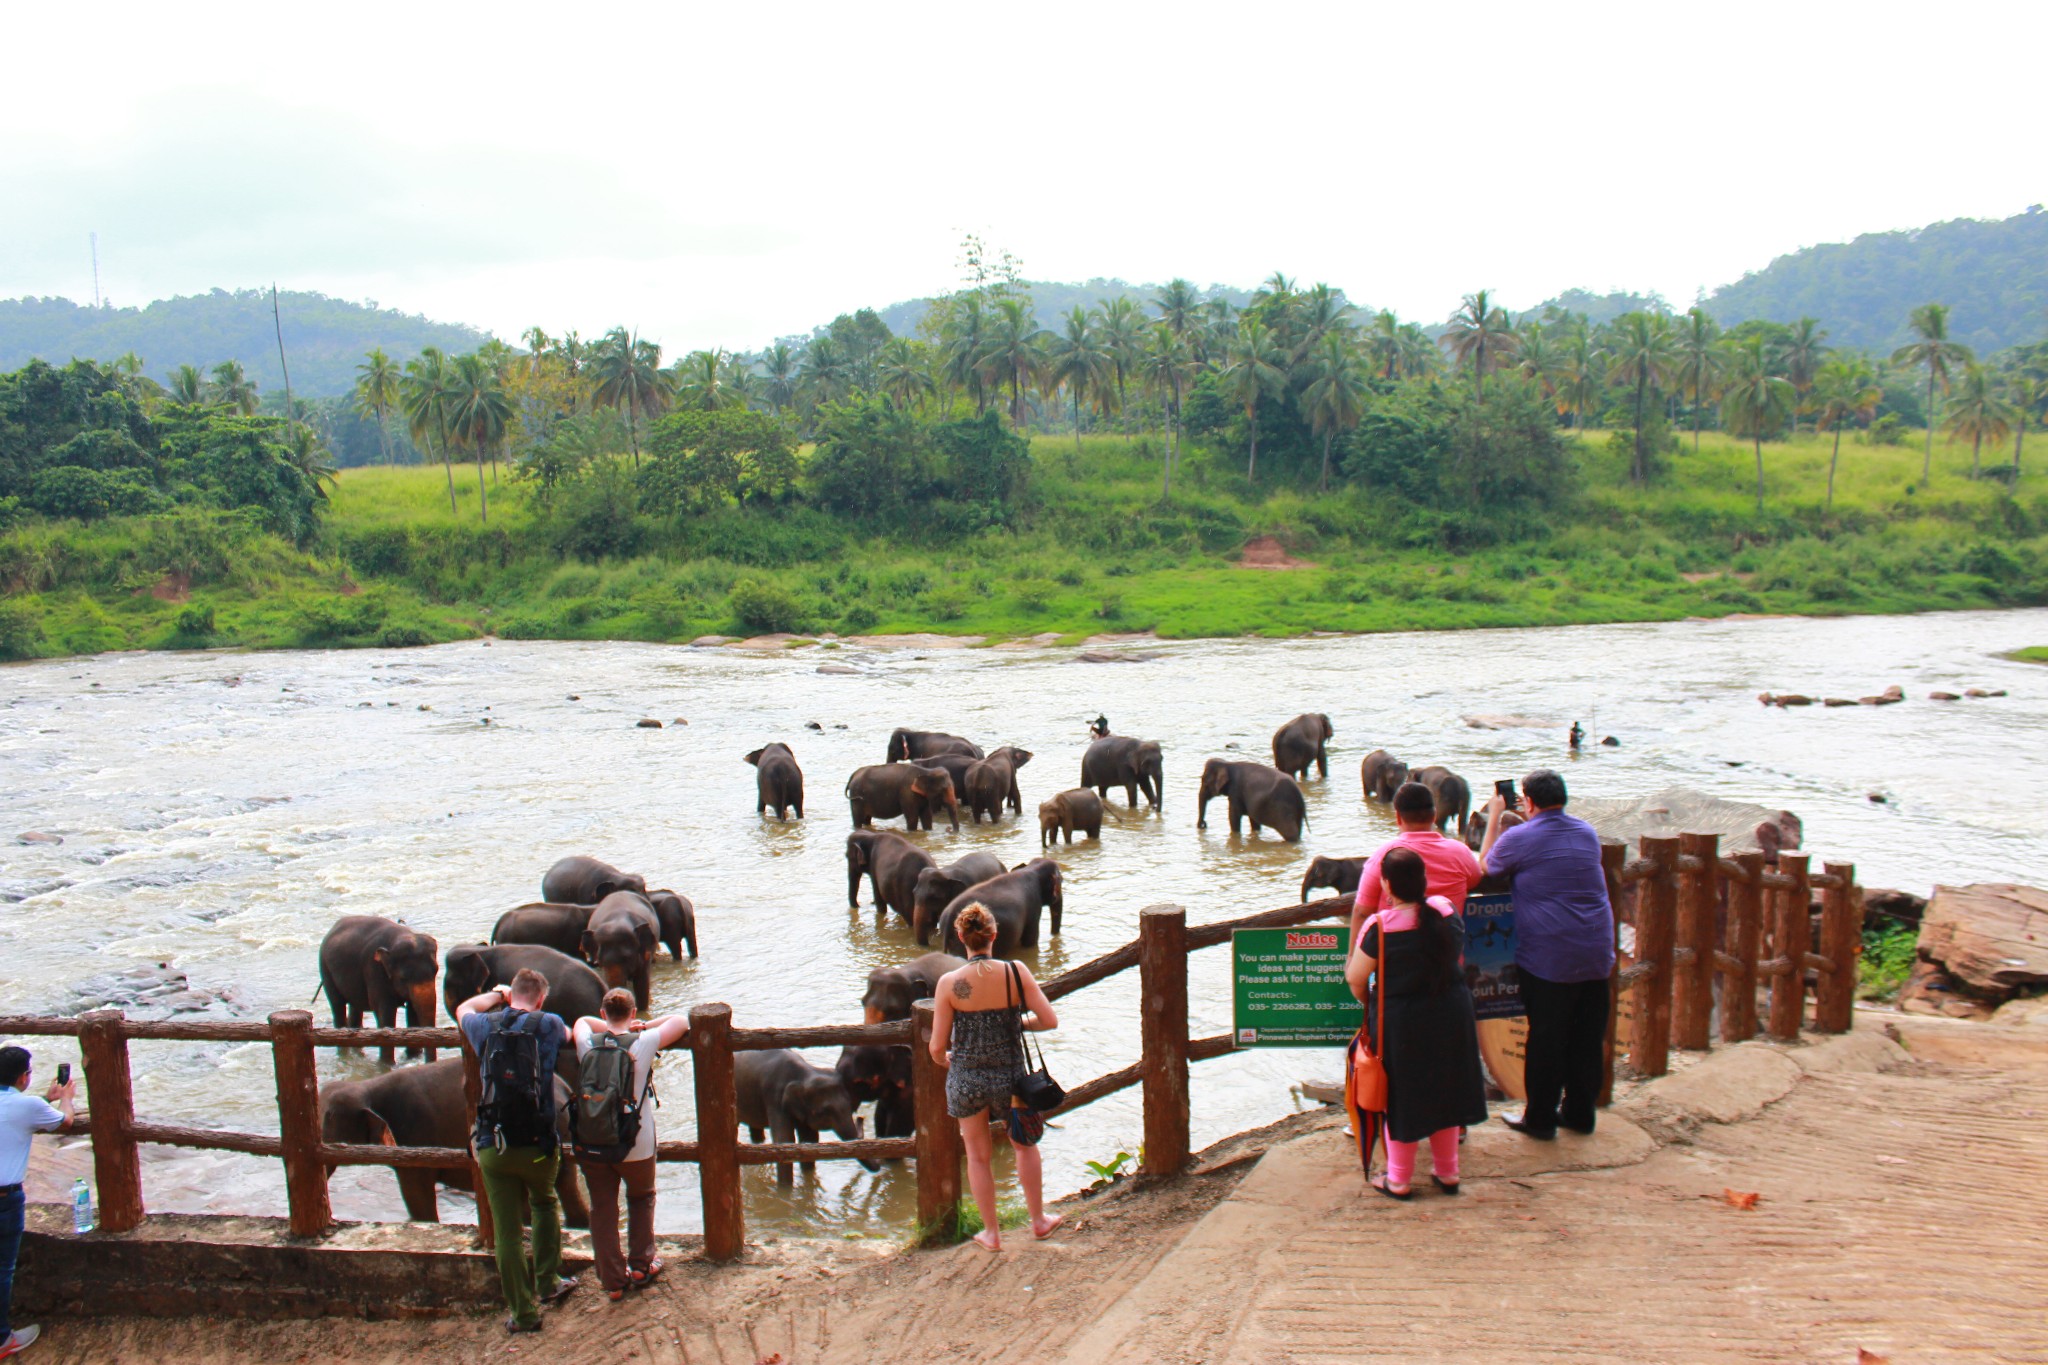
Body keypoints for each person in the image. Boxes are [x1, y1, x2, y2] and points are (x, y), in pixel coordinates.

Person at [1479, 768, 1616, 1140]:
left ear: (1530, 802)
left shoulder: (1520, 836)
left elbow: (1486, 867)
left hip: (1550, 958)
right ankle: (1580, 1114)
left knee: (1547, 1038)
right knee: (1587, 1037)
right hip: (1597, 952)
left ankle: (1540, 1119)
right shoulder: (1586, 832)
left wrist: (1494, 816)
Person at [1344, 848, 1488, 1199]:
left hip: (1403, 1021)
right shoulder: (1445, 910)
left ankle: (1399, 1179)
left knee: (1402, 1098)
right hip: (1452, 1012)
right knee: (1446, 1089)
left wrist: (1373, 1005)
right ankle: (1448, 1172)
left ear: (1387, 885)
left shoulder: (1379, 926)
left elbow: (1356, 979)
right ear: (1422, 880)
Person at [929, 903, 1063, 1250]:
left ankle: (991, 1233)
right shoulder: (1016, 972)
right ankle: (1038, 1221)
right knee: (1025, 1146)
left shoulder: (949, 984)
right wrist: (1018, 1022)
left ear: (960, 938)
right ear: (994, 935)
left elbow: (936, 1048)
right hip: (1013, 1080)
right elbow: (1049, 1020)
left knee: (977, 1156)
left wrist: (951, 1063)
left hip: (966, 1081)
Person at [457, 969, 578, 1333]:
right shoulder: (550, 1023)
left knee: (507, 1231)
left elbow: (463, 1008)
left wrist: (496, 994)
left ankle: (523, 1314)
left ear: (512, 996)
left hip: (494, 1144)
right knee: (544, 1204)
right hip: (539, 1145)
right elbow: (575, 1036)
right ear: (541, 998)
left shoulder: (483, 1025)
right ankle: (549, 1282)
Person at [571, 990, 688, 1302]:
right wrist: (642, 1025)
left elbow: (581, 1021)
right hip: (635, 1140)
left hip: (592, 1138)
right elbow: (681, 1021)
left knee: (602, 1207)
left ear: (603, 1011)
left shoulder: (586, 1044)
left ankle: (612, 1281)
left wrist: (607, 1024)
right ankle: (641, 1265)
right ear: (633, 1011)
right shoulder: (644, 1042)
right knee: (641, 1197)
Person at [0, 1046, 78, 1361]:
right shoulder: (28, 1106)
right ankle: (3, 1339)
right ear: (23, 1077)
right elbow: (66, 1123)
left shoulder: (28, 1105)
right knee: (3, 1268)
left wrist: (44, 1099)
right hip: (5, 1199)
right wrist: (66, 1098)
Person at [1348, 781, 1485, 948]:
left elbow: (1362, 912)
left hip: (1394, 962)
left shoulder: (1384, 856)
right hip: (1447, 963)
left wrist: (1352, 957)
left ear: (1398, 817)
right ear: (1434, 815)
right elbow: (1475, 879)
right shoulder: (1460, 852)